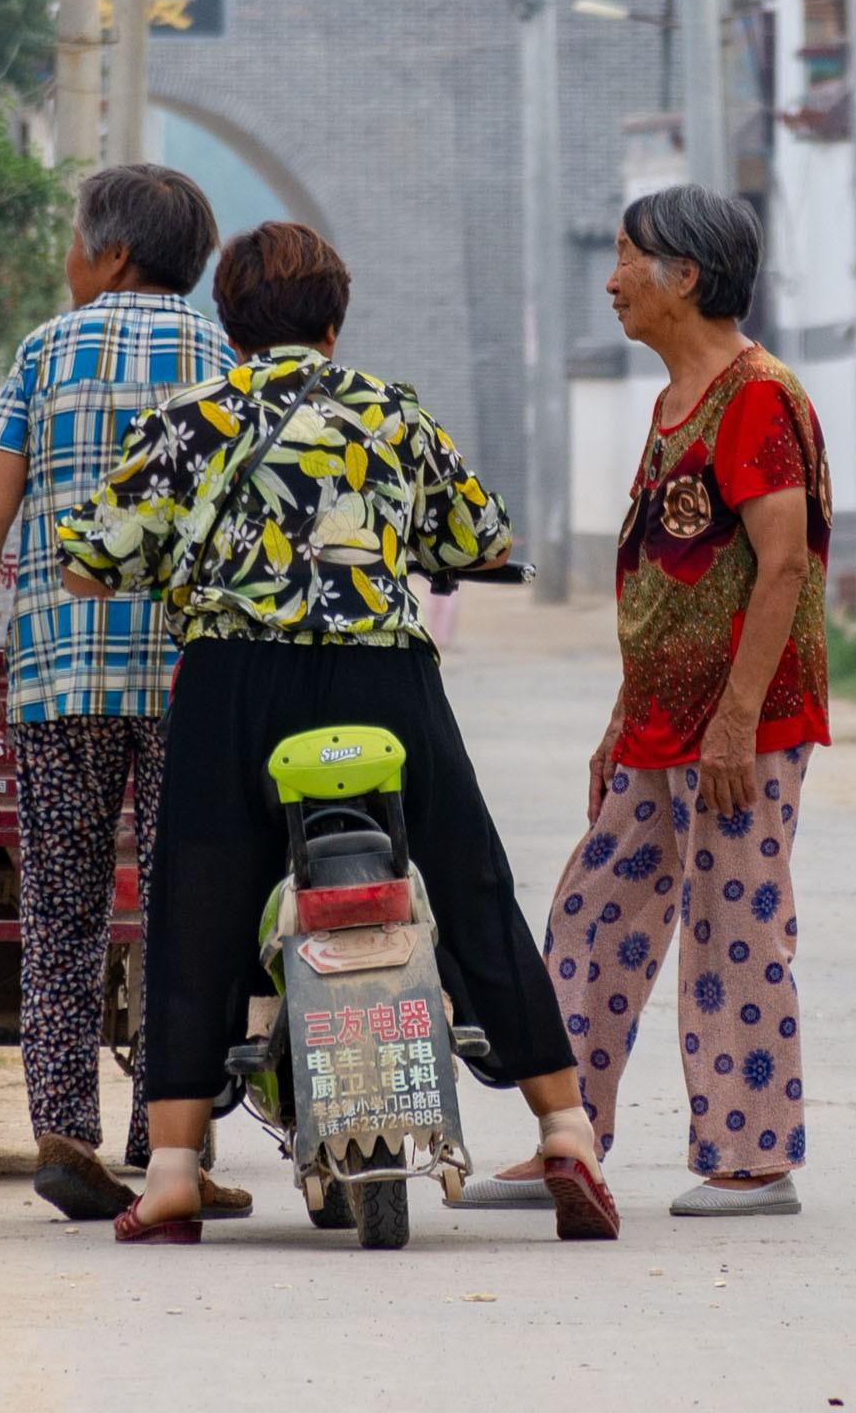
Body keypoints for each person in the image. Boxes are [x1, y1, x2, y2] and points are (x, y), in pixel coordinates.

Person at [56, 221, 622, 1244]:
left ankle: (177, 1167)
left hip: (235, 682)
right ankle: (567, 1127)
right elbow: (477, 535)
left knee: (198, 904)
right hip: (381, 676)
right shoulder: (389, 408)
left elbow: (93, 557)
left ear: (228, 324)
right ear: (333, 320)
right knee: (471, 879)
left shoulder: (189, 416)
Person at [470, 186, 829, 1219]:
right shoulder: (678, 401)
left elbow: (782, 566)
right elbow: (668, 578)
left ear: (689, 277)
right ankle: (568, 1137)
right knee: (591, 909)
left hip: (740, 727)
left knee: (734, 927)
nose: (613, 277)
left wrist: (734, 716)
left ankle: (754, 1157)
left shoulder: (758, 396)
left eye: (630, 256)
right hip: (660, 726)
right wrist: (620, 721)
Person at [0, 164, 249, 1223]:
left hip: (60, 673)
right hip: (191, 679)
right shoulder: (224, 355)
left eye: (73, 237)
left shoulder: (44, 350)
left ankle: (64, 1126)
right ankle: (163, 1136)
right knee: (185, 908)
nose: (64, 257)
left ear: (111, 252)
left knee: (64, 908)